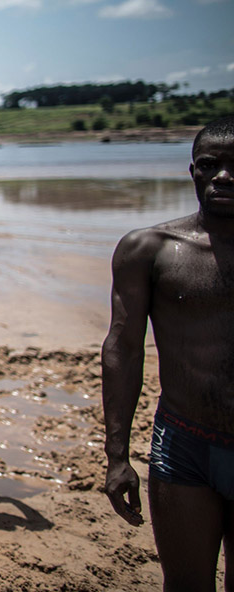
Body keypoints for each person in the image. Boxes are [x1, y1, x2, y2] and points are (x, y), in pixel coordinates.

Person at [102, 115, 234, 591]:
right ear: (192, 171)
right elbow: (122, 348)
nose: (222, 176)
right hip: (184, 444)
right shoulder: (149, 250)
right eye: (209, 165)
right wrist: (117, 455)